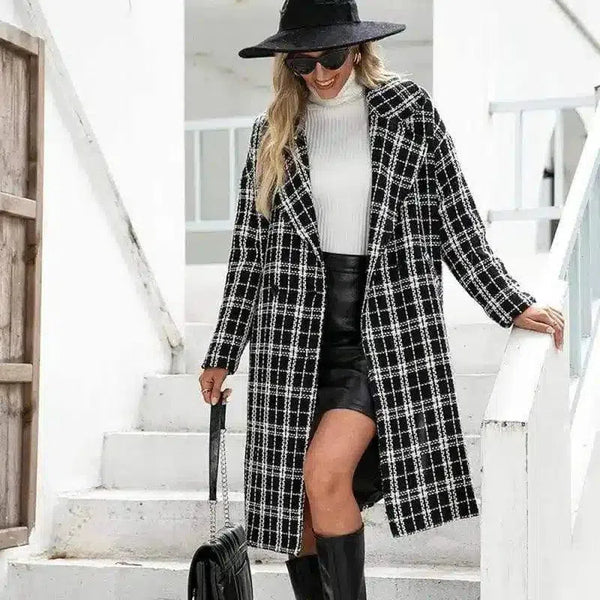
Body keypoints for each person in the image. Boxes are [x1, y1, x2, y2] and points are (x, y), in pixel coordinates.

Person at [199, 1, 566, 598]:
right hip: (291, 340)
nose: (320, 74)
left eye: (332, 57)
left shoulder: (408, 112)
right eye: (302, 62)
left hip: (383, 331)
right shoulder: (272, 133)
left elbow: (456, 221)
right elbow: (248, 254)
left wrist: (509, 302)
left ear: (358, 49)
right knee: (297, 509)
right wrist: (223, 352)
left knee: (324, 472)